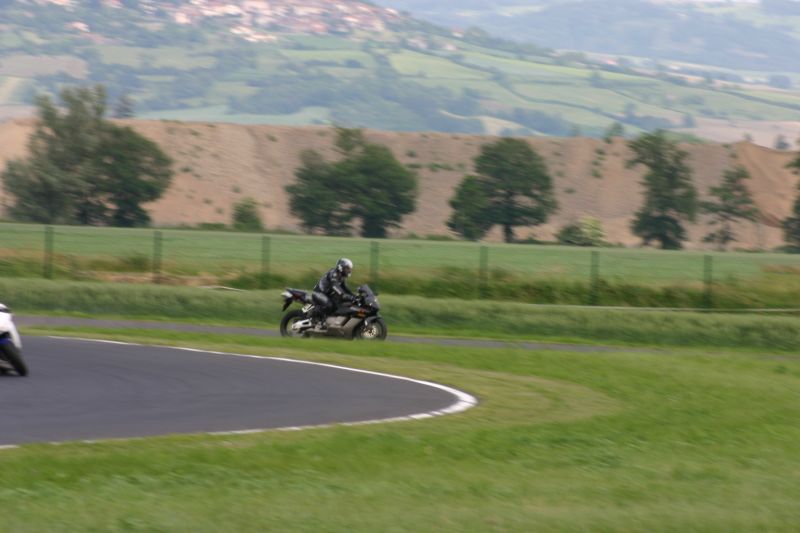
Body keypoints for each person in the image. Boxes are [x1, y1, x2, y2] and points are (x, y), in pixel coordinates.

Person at [311, 258, 356, 327]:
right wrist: (343, 295)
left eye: (349, 268)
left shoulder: (341, 276)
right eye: (347, 268)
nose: (349, 270)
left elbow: (345, 288)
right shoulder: (334, 274)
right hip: (319, 292)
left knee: (338, 303)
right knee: (329, 305)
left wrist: (354, 296)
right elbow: (335, 287)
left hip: (327, 294)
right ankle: (320, 320)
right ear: (341, 267)